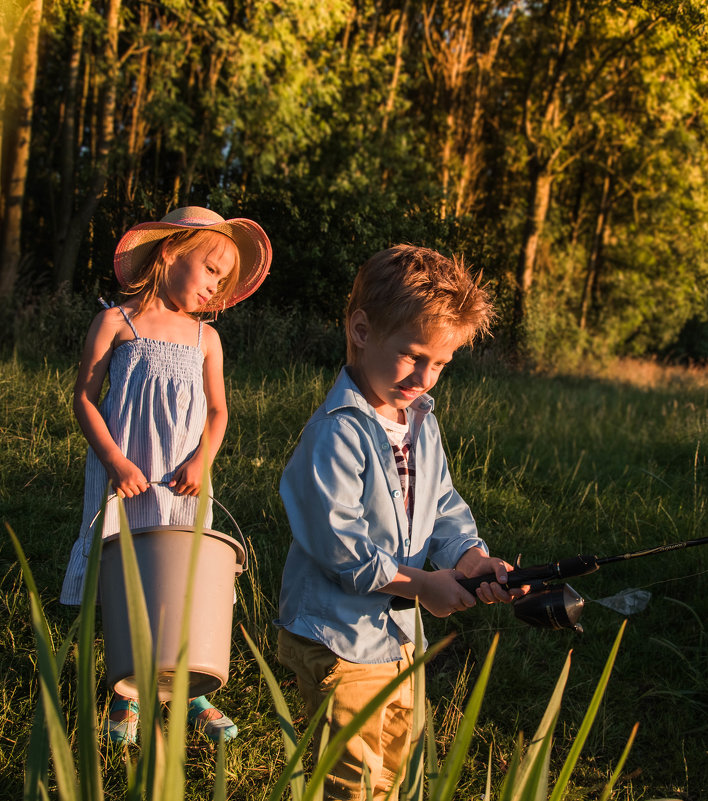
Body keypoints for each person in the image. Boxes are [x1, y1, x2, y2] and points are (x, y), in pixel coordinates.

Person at [275, 244, 524, 800]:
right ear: (362, 330)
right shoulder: (336, 433)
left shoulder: (419, 421)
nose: (425, 377)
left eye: (440, 364)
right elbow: (342, 548)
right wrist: (423, 586)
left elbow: (441, 506)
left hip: (397, 635)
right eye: (414, 355)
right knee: (351, 779)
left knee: (396, 763)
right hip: (339, 637)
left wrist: (469, 558)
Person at [61, 206, 272, 745]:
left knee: (182, 577)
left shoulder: (205, 339)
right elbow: (85, 398)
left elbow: (219, 412)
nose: (214, 288)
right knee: (126, 572)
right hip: (128, 475)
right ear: (171, 253)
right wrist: (114, 460)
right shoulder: (117, 322)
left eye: (221, 281)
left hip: (180, 479)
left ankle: (189, 684)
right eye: (209, 270)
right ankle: (125, 689)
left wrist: (202, 461)